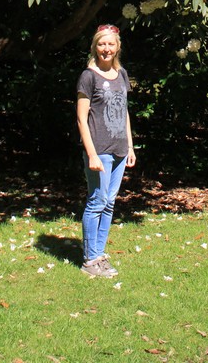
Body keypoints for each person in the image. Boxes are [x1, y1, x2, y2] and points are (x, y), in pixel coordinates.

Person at [76, 24, 136, 277]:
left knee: (109, 203)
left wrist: (130, 146)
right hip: (99, 149)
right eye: (101, 44)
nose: (106, 49)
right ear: (95, 47)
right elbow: (81, 119)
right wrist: (91, 154)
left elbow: (124, 111)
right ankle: (90, 260)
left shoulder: (121, 74)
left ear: (118, 47)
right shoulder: (88, 77)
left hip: (120, 149)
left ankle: (99, 255)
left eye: (111, 44)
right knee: (97, 202)